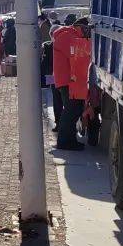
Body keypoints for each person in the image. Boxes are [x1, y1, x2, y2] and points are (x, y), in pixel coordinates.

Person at [52, 14, 84, 150]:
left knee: (74, 109)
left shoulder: (67, 35)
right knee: (71, 110)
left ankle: (70, 140)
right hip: (66, 80)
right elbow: (77, 54)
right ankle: (64, 141)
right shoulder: (67, 36)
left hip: (67, 79)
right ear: (79, 27)